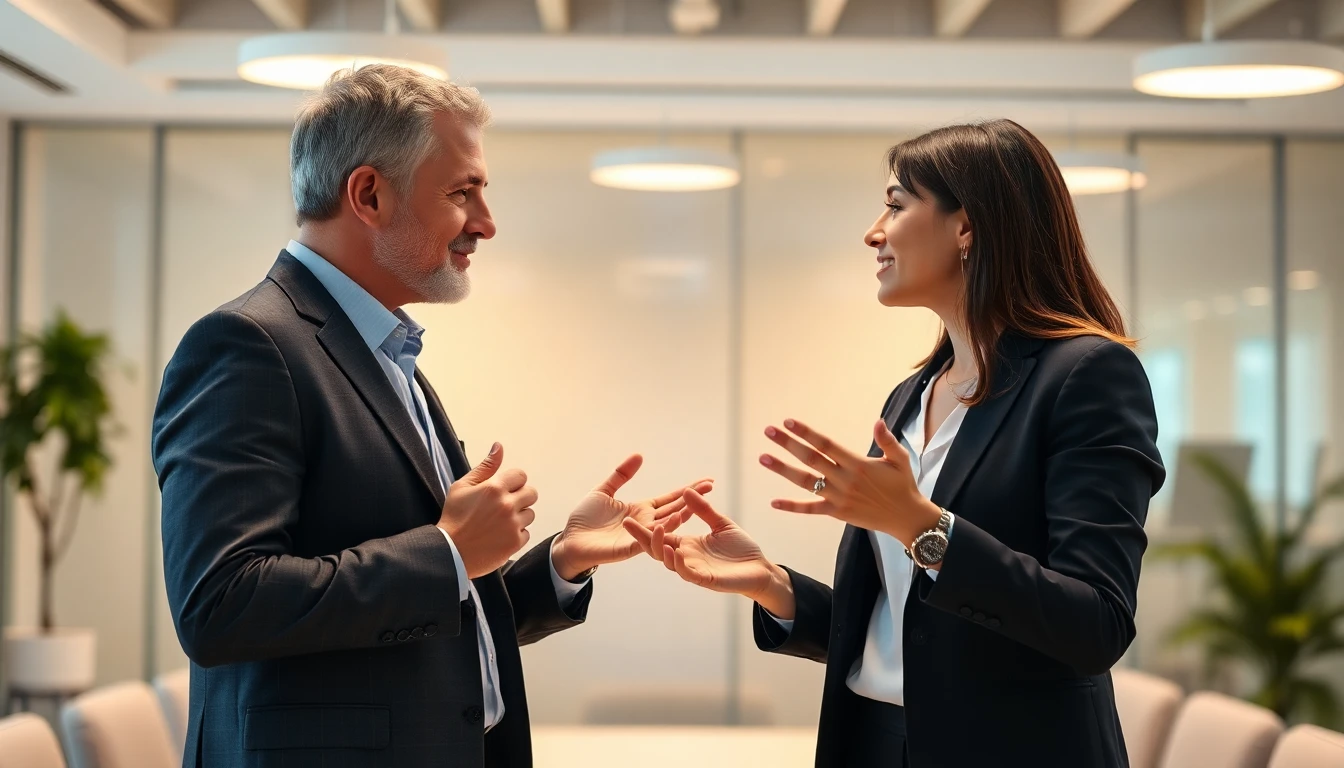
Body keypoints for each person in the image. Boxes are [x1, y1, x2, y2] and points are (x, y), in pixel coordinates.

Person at [152, 64, 709, 767]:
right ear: (369, 194)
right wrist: (447, 552)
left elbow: (436, 610)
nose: (486, 223)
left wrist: (561, 561)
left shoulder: (382, 350)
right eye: (462, 192)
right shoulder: (248, 345)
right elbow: (221, 603)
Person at [626, 119, 1166, 767]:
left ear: (966, 227)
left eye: (895, 204)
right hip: (879, 743)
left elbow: (1095, 624)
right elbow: (911, 632)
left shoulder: (1086, 374)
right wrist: (772, 586)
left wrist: (923, 527)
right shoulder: (912, 396)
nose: (872, 231)